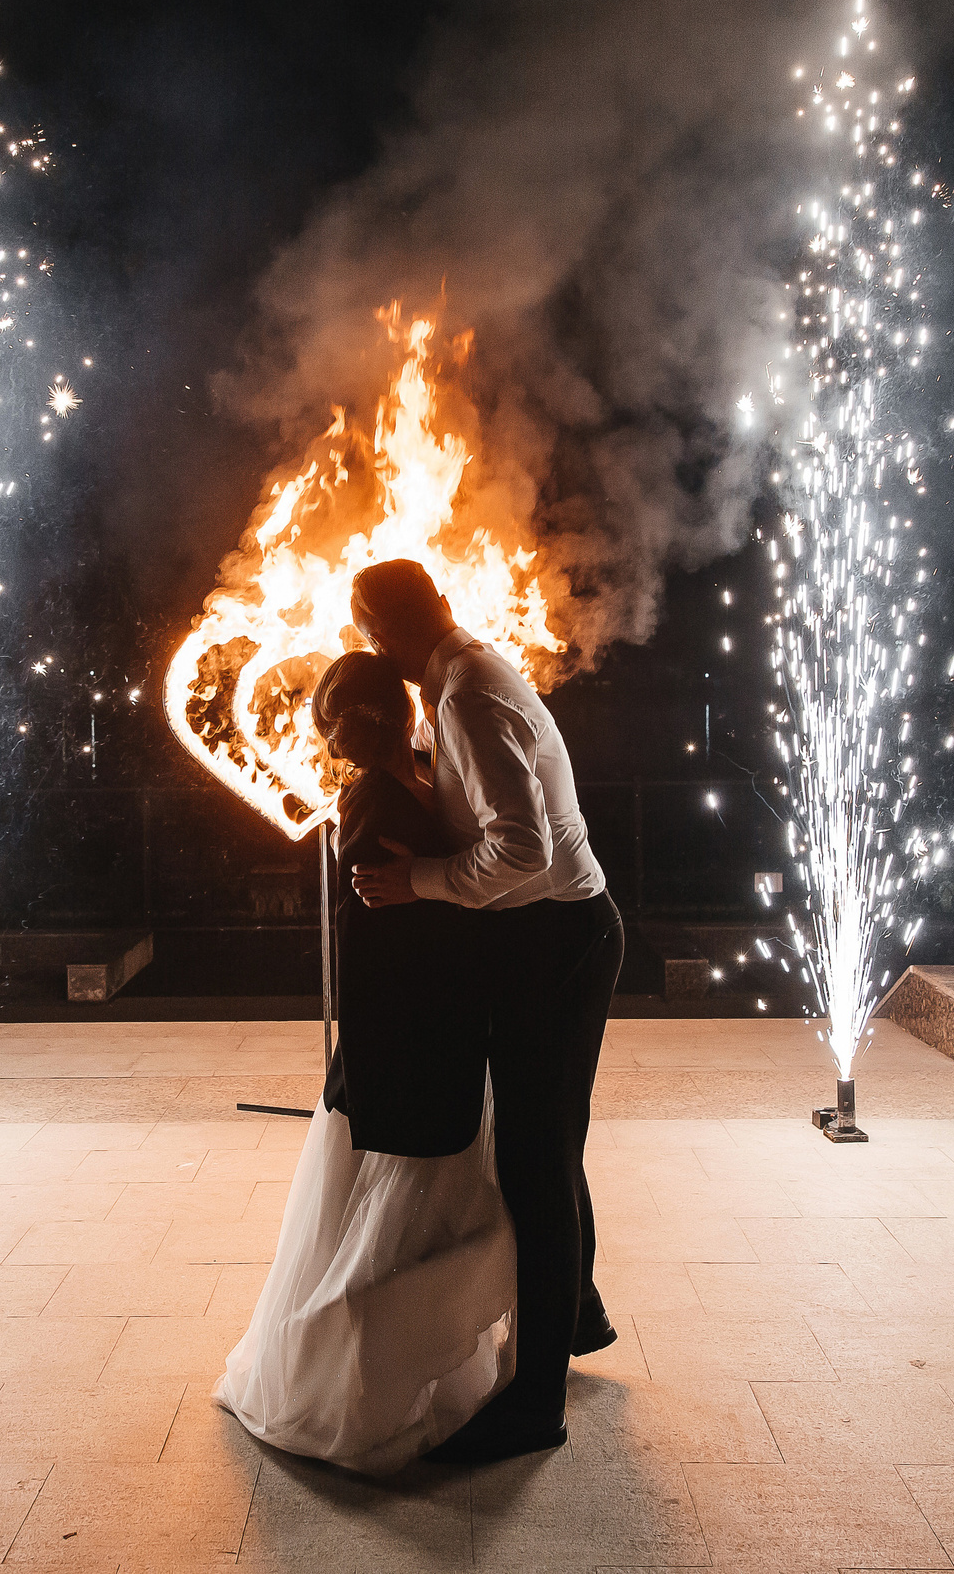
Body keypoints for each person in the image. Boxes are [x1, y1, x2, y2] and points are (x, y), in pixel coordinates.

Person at [212, 651, 516, 1474]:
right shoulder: (375, 797)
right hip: (408, 1044)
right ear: (396, 709)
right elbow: (375, 944)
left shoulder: (419, 774)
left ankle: (405, 1370)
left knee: (424, 1222)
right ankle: (360, 1387)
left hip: (438, 1031)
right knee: (395, 1230)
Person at [347, 558, 623, 1464]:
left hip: (556, 937)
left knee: (535, 1166)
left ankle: (535, 1403)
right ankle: (574, 1315)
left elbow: (522, 845)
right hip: (558, 933)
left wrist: (416, 880)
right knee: (550, 1146)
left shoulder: (462, 695)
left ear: (380, 630)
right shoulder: (465, 677)